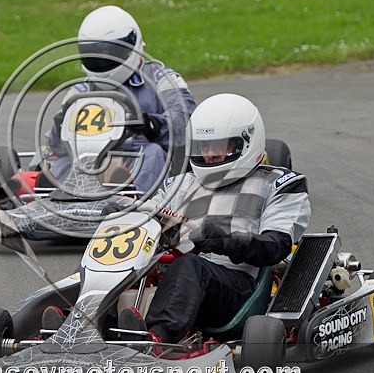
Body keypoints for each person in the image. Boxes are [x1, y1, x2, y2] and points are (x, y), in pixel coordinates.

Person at [117, 93, 311, 345]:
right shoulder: (179, 184)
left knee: (190, 267)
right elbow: (148, 218)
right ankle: (79, 324)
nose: (209, 155)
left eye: (219, 146)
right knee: (121, 266)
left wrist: (223, 240)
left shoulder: (279, 183)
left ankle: (156, 339)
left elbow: (275, 246)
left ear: (246, 141)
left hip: (234, 287)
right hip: (171, 276)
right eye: (203, 146)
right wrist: (121, 213)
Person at [47, 5, 196, 194]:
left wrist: (152, 124)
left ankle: (132, 199)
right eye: (94, 55)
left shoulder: (161, 79)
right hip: (90, 161)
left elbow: (185, 121)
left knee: (152, 153)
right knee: (61, 161)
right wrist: (59, 126)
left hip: (141, 155)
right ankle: (54, 200)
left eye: (109, 54)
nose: (101, 61)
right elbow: (55, 146)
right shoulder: (80, 91)